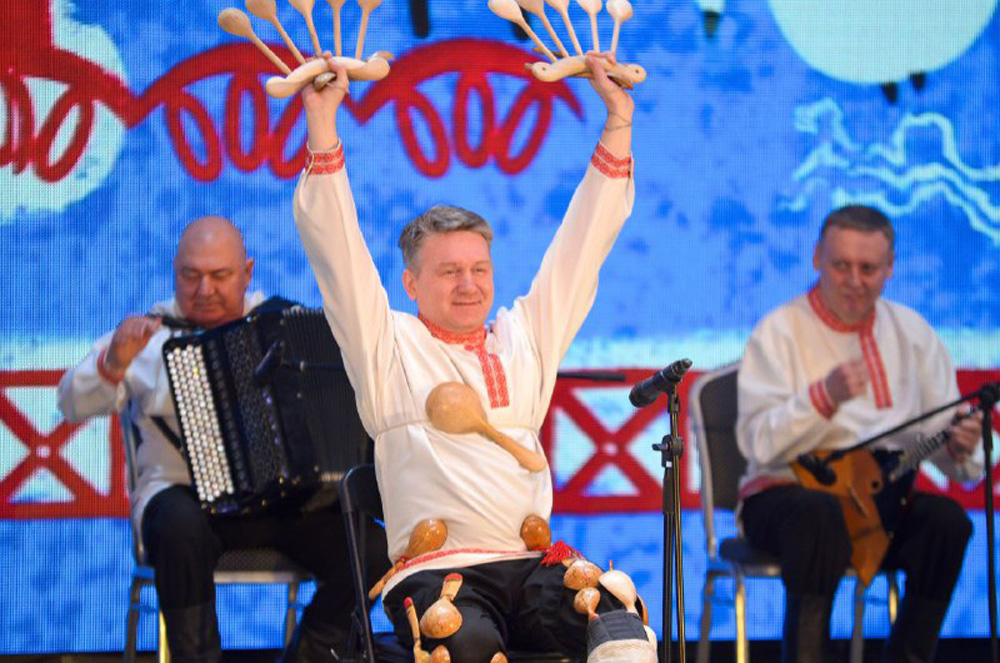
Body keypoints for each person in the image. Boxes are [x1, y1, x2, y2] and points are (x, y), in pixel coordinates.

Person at [292, 53, 654, 663]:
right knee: (468, 646)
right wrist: (323, 125)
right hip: (437, 574)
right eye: (449, 271)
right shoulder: (388, 345)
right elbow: (338, 251)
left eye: (479, 269)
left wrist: (618, 122)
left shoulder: (524, 336)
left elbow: (582, 248)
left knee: (621, 631)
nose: (468, 285)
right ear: (411, 284)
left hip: (533, 564)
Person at [58, 216, 377, 663]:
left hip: (280, 504)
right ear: (174, 272)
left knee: (371, 547)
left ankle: (310, 655)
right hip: (186, 506)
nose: (204, 289)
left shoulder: (284, 324)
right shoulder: (147, 336)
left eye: (219, 275)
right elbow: (71, 404)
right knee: (178, 526)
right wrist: (112, 365)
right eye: (191, 275)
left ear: (247, 273)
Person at [735, 205, 985, 663]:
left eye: (868, 269)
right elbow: (757, 444)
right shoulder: (778, 331)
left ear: (890, 268)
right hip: (789, 498)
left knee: (947, 523)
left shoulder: (913, 333)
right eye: (841, 266)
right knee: (818, 515)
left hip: (878, 501)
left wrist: (962, 447)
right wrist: (823, 397)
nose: (854, 281)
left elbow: (960, 462)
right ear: (816, 258)